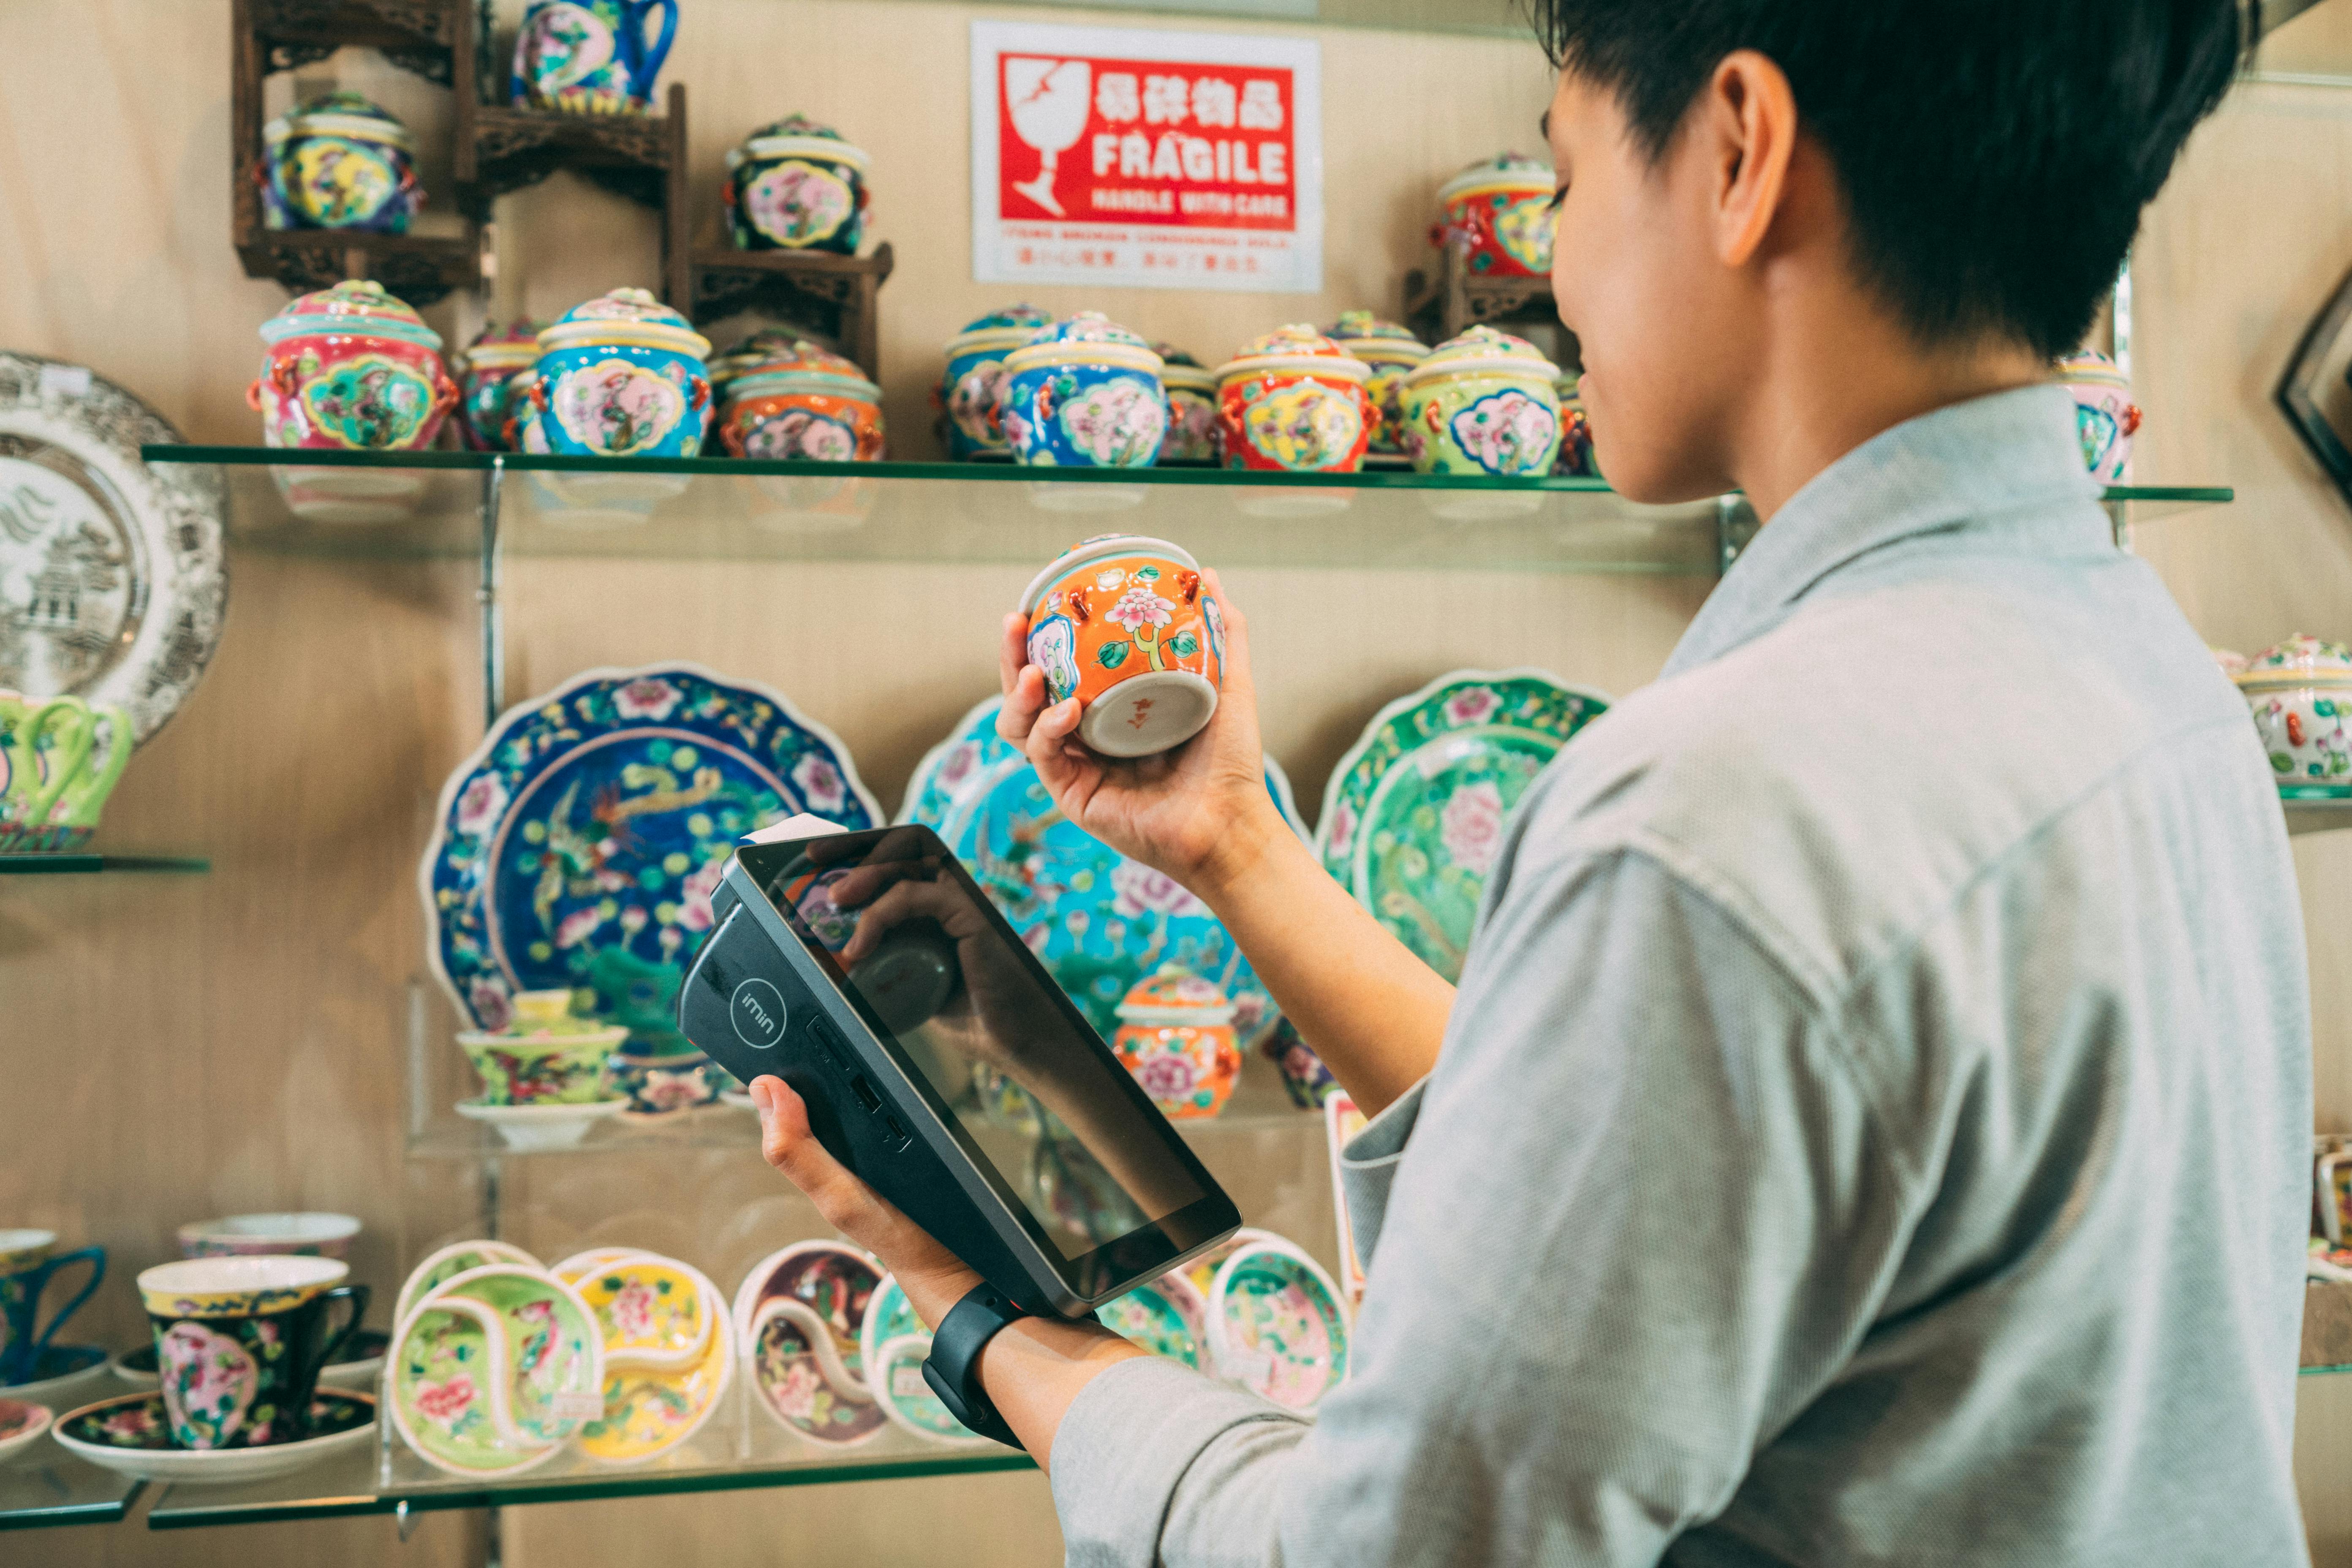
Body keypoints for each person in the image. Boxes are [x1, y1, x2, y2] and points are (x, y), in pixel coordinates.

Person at [748, 0, 2314, 1560]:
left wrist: (974, 1315)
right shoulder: (2151, 671)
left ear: (1738, 152)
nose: (1555, 280)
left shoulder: (1719, 808)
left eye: (1564, 183)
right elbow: (1671, 1184)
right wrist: (1236, 848)